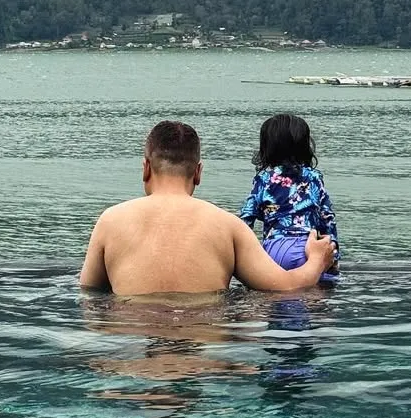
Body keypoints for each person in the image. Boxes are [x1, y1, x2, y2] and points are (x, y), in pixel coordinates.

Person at [80, 120, 336, 295]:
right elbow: (287, 287)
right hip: (207, 354)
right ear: (198, 172)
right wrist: (317, 259)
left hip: (131, 351)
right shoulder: (227, 226)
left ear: (146, 168)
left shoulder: (110, 221)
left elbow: (89, 291)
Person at [240, 113, 340, 283]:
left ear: (267, 148)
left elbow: (246, 220)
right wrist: (334, 258)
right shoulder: (314, 177)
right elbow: (327, 220)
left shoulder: (264, 179)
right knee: (315, 300)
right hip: (309, 249)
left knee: (277, 299)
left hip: (275, 250)